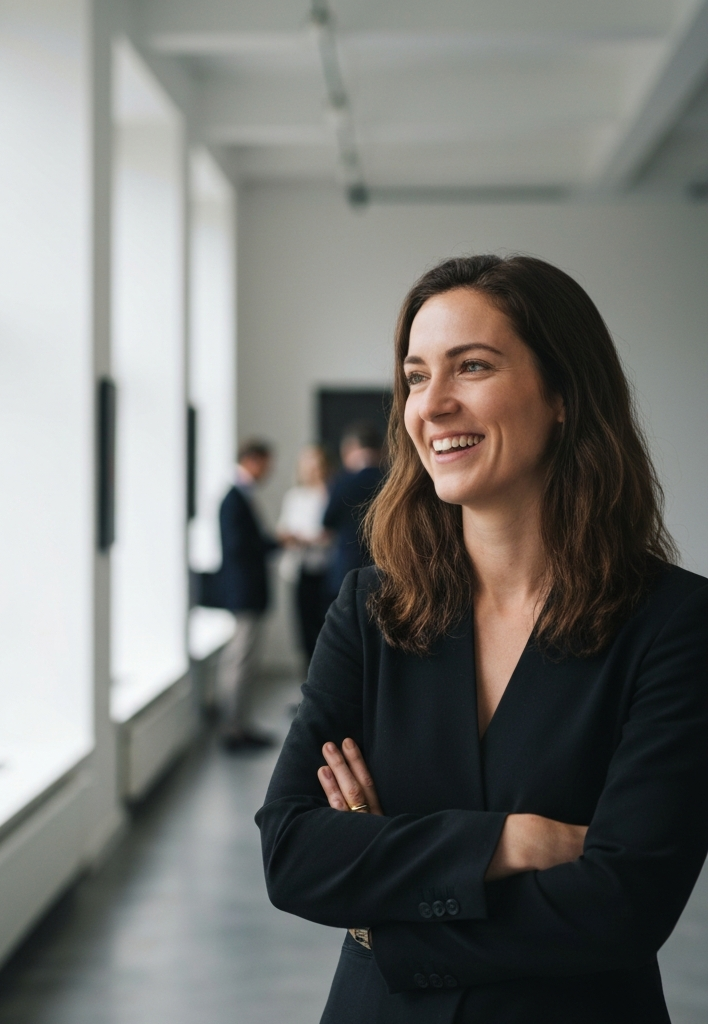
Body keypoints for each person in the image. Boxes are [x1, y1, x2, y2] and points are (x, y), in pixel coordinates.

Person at [255, 255, 708, 1023]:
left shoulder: (674, 623)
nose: (432, 405)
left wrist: (383, 916)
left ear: (563, 393)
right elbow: (293, 852)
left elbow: (621, 906)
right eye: (416, 376)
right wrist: (509, 842)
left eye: (472, 367)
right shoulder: (371, 609)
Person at [216, 439, 280, 751]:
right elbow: (239, 546)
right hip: (244, 592)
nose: (269, 471)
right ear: (253, 460)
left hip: (247, 591)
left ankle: (238, 724)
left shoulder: (241, 496)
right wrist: (274, 542)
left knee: (243, 659)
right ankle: (233, 729)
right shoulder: (233, 499)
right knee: (240, 659)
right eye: (267, 463)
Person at [277, 444, 333, 668]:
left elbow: (330, 533)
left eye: (316, 464)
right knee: (304, 631)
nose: (311, 469)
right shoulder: (295, 496)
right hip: (300, 570)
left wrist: (311, 538)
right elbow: (284, 529)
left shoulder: (330, 493)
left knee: (326, 628)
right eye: (307, 464)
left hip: (327, 570)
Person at [322, 421, 384, 601]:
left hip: (347, 570)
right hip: (387, 569)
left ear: (351, 447)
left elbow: (327, 521)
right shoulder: (394, 480)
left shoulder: (342, 482)